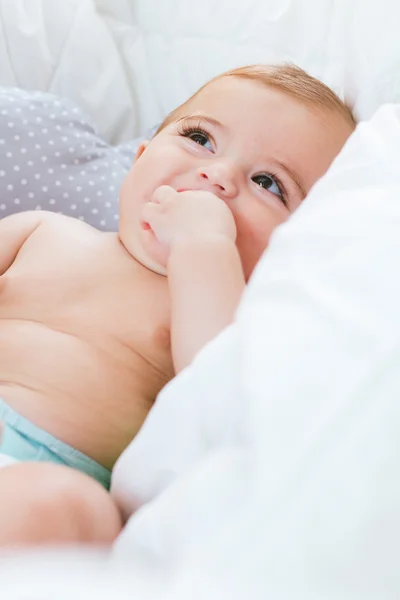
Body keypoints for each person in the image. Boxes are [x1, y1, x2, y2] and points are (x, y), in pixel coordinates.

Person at [0, 63, 355, 546]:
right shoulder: (42, 229)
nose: (218, 175)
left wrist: (203, 247)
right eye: (200, 138)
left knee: (75, 509)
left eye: (268, 183)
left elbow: (211, 389)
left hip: (35, 473)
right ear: (140, 159)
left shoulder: (223, 310)